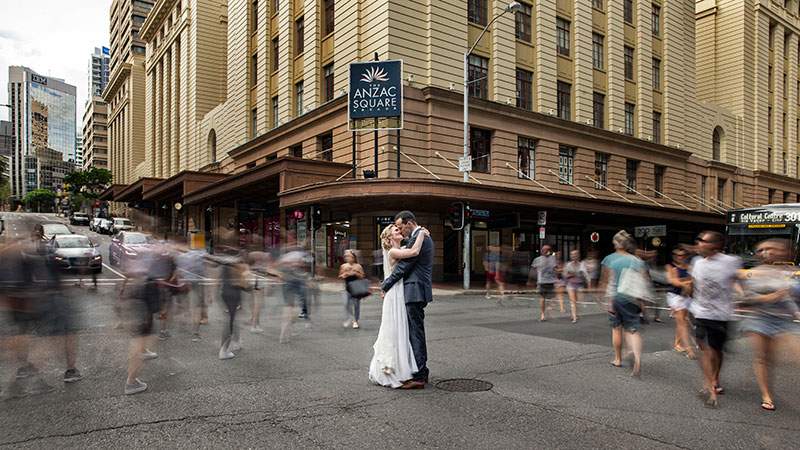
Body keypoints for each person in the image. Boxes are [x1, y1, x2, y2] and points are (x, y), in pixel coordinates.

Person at [738, 238, 800, 411]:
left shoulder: (793, 273)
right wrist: (769, 297)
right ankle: (766, 395)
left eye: (772, 248)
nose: (766, 252)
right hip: (759, 320)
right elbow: (747, 298)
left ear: (786, 252)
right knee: (764, 359)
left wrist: (796, 311)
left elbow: (791, 296)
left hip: (785, 322)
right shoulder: (755, 272)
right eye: (762, 249)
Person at [369, 224, 429, 387]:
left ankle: (406, 367)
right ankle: (396, 369)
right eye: (396, 230)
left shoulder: (399, 248)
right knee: (395, 329)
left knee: (401, 329)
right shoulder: (393, 251)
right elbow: (414, 251)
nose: (399, 231)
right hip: (395, 293)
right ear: (390, 237)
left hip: (398, 292)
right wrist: (422, 234)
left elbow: (409, 249)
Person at [380, 211, 434, 389]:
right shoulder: (422, 236)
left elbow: (403, 267)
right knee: (415, 331)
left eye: (401, 227)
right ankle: (422, 371)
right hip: (415, 290)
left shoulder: (419, 237)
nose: (401, 231)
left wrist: (385, 285)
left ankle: (419, 376)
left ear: (409, 224)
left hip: (414, 290)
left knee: (415, 333)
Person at [689, 230, 742, 408]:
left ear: (714, 245)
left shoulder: (731, 262)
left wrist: (742, 294)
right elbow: (694, 285)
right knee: (704, 348)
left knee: (716, 351)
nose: (699, 245)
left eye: (702, 241)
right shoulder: (697, 263)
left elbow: (736, 281)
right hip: (701, 313)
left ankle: (715, 378)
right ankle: (710, 386)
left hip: (721, 314)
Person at [599, 230, 649, 377]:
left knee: (616, 328)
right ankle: (638, 360)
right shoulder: (638, 260)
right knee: (632, 330)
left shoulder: (609, 259)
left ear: (615, 243)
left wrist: (602, 297)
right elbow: (644, 280)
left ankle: (618, 359)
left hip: (615, 298)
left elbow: (604, 280)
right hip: (632, 297)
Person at [217, 249, 251, 360]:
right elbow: (243, 283)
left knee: (232, 318)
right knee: (230, 322)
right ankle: (224, 350)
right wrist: (250, 287)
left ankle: (236, 342)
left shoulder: (225, 264)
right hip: (234, 293)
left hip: (224, 293)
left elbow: (218, 280)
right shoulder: (238, 265)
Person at [666, 246, 696, 359]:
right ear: (673, 256)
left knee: (682, 321)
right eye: (677, 255)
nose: (680, 257)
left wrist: (685, 282)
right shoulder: (670, 267)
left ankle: (677, 343)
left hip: (687, 296)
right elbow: (673, 281)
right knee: (683, 321)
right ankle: (689, 348)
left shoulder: (689, 267)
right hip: (675, 296)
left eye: (683, 255)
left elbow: (693, 280)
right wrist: (686, 282)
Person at [528, 245, 557, 322]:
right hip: (542, 281)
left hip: (551, 281)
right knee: (542, 298)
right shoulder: (538, 260)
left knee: (552, 298)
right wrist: (531, 280)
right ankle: (543, 315)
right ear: (542, 251)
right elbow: (533, 270)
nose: (546, 251)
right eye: (544, 250)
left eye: (548, 249)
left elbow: (555, 269)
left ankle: (549, 310)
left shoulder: (553, 259)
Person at [340, 249, 366, 329]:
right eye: (347, 256)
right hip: (347, 287)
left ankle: (355, 320)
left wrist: (356, 273)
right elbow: (340, 276)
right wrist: (347, 274)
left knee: (356, 305)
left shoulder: (358, 266)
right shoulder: (344, 266)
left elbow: (363, 276)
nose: (349, 258)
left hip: (356, 287)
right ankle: (350, 317)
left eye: (351, 256)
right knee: (346, 304)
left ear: (354, 257)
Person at [564, 249, 590, 323]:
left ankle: (576, 314)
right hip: (571, 284)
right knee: (573, 301)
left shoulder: (582, 264)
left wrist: (589, 284)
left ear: (578, 255)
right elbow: (563, 275)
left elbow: (586, 275)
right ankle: (574, 317)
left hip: (579, 284)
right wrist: (570, 275)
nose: (574, 256)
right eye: (572, 254)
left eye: (575, 254)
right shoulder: (568, 265)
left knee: (579, 301)